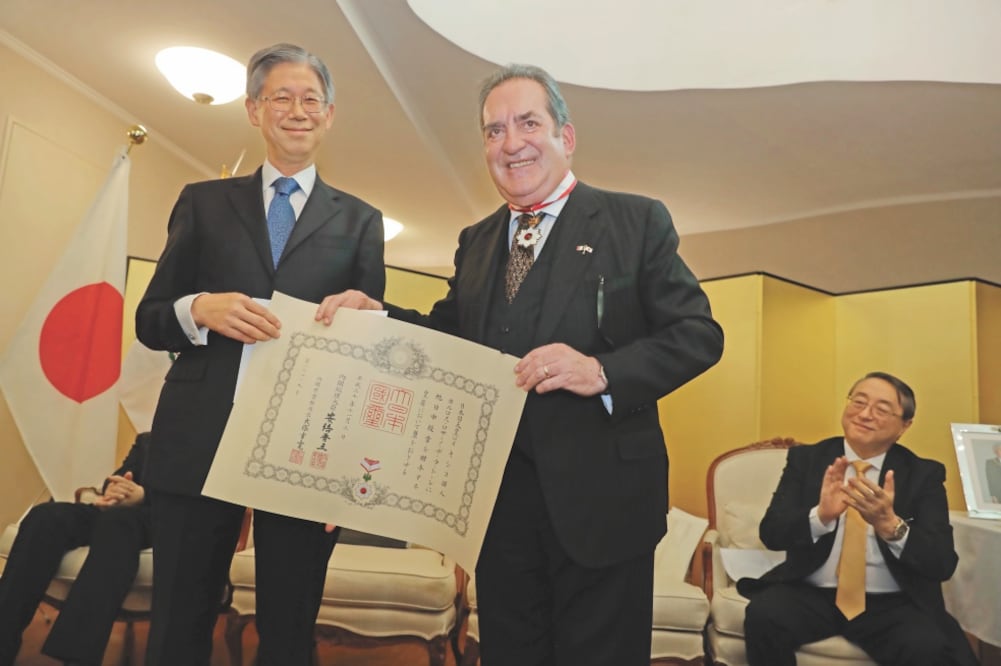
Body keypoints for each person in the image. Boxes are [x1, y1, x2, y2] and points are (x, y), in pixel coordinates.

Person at [316, 64, 723, 666]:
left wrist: (602, 371)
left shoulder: (634, 221)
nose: (510, 143)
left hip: (603, 507)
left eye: (528, 123)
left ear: (567, 136)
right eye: (493, 130)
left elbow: (698, 334)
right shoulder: (476, 241)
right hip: (497, 507)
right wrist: (377, 316)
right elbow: (448, 336)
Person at [135, 43, 386, 666]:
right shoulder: (202, 201)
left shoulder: (361, 222)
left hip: (304, 453)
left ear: (329, 116)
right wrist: (200, 309)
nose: (297, 110)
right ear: (253, 110)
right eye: (281, 96)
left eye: (311, 99)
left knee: (289, 628)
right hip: (196, 442)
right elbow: (149, 317)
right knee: (177, 622)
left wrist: (344, 477)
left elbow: (364, 356)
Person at [738, 371, 978, 666]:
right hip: (811, 594)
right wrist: (820, 516)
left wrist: (891, 526)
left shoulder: (923, 474)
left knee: (929, 646)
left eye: (881, 409)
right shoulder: (808, 459)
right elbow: (772, 533)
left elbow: (941, 562)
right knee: (765, 615)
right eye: (858, 401)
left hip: (892, 603)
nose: (865, 414)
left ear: (905, 425)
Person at [0, 432, 151, 666]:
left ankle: (76, 657)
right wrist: (115, 489)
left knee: (117, 525)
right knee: (46, 517)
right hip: (116, 511)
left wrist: (144, 495)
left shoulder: (206, 442)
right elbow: (119, 477)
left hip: (159, 521)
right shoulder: (147, 439)